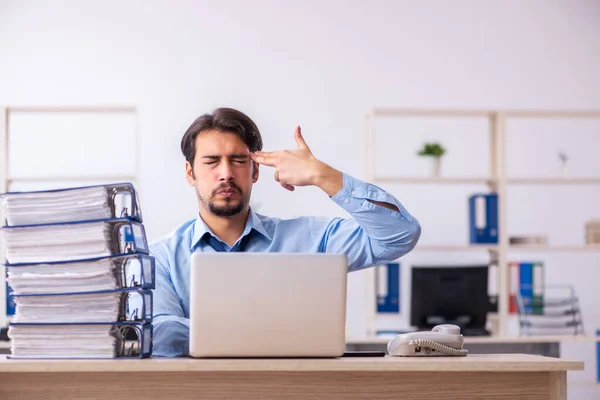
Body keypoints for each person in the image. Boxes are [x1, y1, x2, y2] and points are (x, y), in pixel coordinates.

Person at [149, 107, 421, 357]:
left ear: (255, 170)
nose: (226, 173)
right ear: (190, 173)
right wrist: (264, 330)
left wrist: (323, 176)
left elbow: (400, 234)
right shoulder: (161, 258)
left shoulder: (311, 238)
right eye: (211, 161)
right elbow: (163, 335)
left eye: (238, 160)